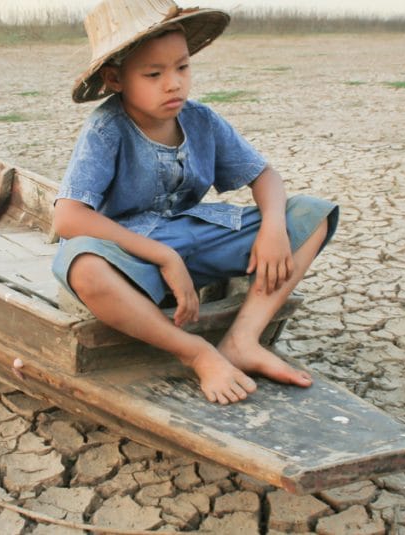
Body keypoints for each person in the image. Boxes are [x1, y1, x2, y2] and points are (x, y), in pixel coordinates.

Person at [52, 0, 339, 404]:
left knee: (312, 215)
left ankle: (242, 339)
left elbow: (265, 176)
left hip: (194, 235)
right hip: (129, 252)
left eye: (182, 68)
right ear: (116, 78)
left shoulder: (201, 120)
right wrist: (163, 257)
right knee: (83, 268)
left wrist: (274, 225)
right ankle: (197, 352)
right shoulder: (107, 129)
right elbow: (67, 218)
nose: (174, 84)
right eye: (154, 74)